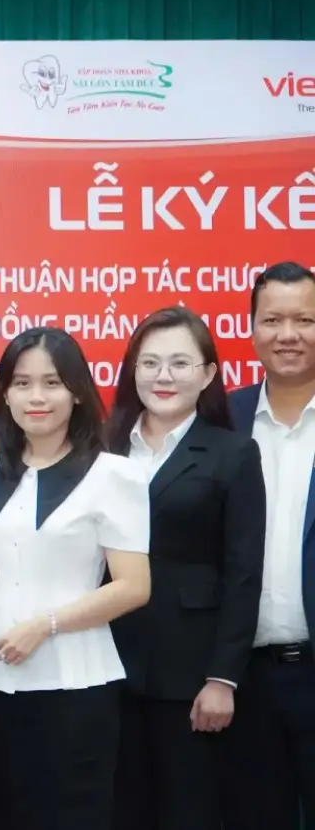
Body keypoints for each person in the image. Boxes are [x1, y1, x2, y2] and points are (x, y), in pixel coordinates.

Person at [0, 327, 151, 830]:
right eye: (22, 383)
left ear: (77, 392)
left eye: (52, 383)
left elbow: (134, 586)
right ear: (5, 394)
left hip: (77, 682)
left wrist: (44, 624)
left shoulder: (115, 475)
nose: (37, 397)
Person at [104, 306, 265, 830]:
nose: (163, 376)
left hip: (191, 677)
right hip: (107, 667)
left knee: (187, 812)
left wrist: (222, 678)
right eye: (149, 363)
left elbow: (244, 573)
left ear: (209, 373)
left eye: (179, 362)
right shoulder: (103, 450)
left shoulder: (234, 453)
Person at [221, 261, 315, 830]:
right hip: (244, 680)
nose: (288, 334)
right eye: (273, 320)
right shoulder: (221, 419)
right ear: (252, 328)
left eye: (305, 320)